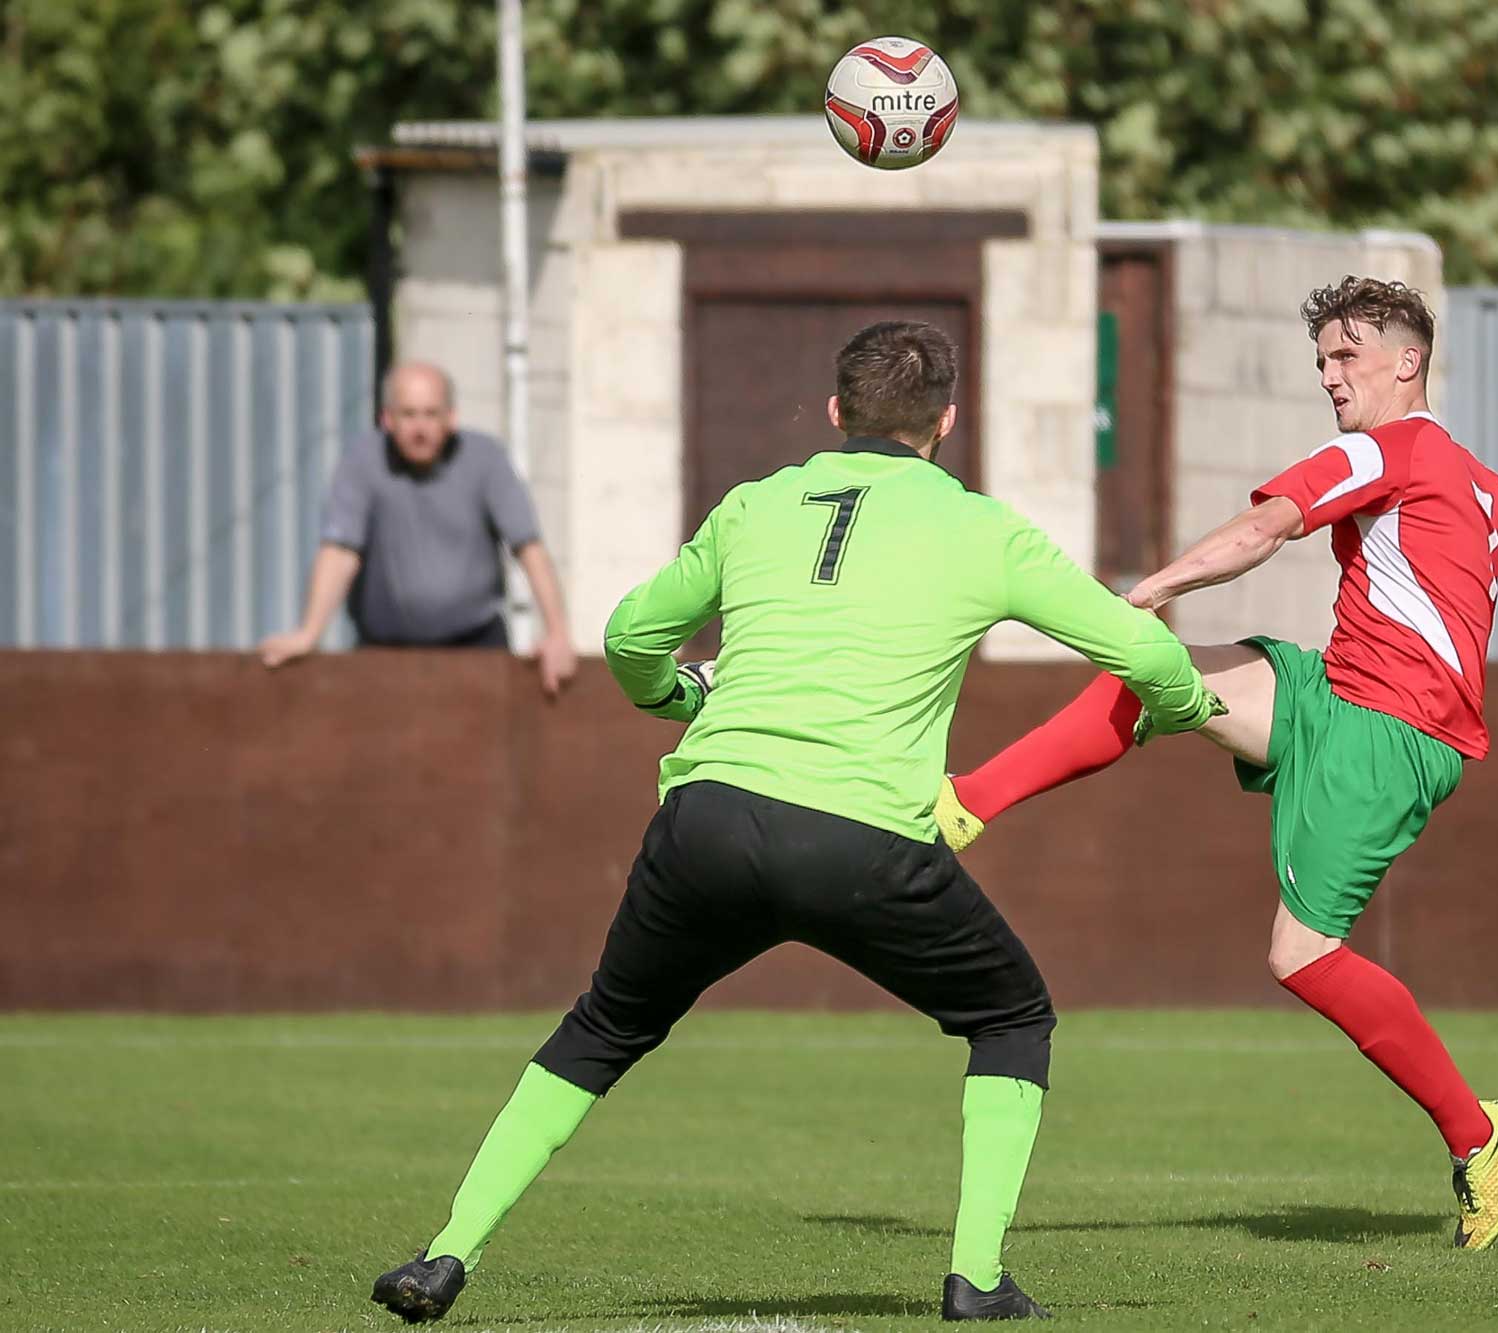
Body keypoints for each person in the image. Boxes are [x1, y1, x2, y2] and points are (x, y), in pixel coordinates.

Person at [368, 321, 1220, 1324]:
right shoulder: (983, 529)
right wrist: (1175, 715)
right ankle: (976, 1279)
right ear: (945, 423)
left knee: (604, 1025)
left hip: (709, 819)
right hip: (858, 839)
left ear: (834, 414)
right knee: (1009, 1017)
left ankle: (443, 1256)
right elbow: (1149, 656)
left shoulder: (754, 505)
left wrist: (682, 701)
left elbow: (629, 638)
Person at [934, 277, 1498, 1252]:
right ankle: (960, 803)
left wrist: (1155, 585)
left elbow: (1264, 529)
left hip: (1389, 741)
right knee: (1152, 678)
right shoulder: (1487, 491)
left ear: (1406, 362)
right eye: (1320, 362)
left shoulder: (1389, 450)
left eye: (1346, 357)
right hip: (1330, 694)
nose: (1329, 377)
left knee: (1297, 954)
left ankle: (1478, 1134)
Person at [257, 361, 578, 698]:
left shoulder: (486, 460)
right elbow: (340, 550)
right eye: (409, 415)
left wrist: (557, 634)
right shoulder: (363, 461)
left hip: (476, 648)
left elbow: (528, 547)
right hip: (384, 652)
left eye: (431, 414)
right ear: (387, 419)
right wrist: (308, 633)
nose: (420, 428)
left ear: (451, 417)